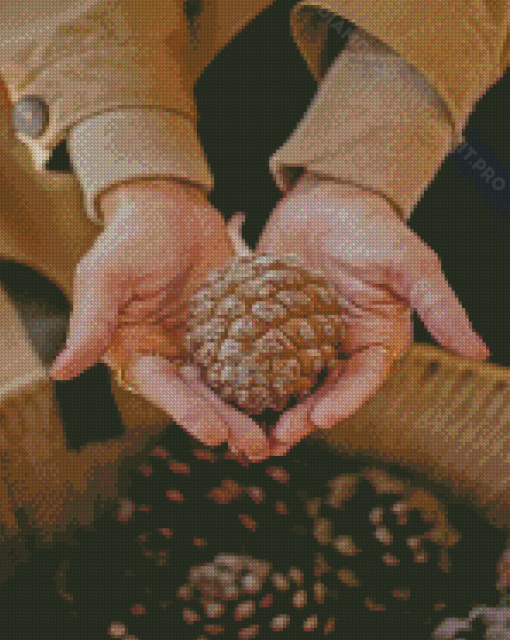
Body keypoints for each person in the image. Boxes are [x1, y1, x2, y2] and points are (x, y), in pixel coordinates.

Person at [0, 1, 506, 469]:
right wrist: (137, 175)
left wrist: (366, 156)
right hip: (86, 68)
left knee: (458, 282)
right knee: (113, 335)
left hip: (365, 39)